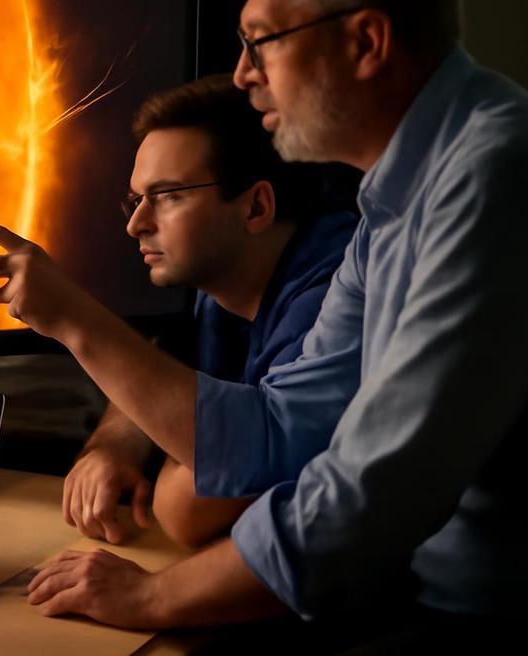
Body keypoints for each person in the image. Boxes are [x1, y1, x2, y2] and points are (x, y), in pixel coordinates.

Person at [14, 0, 528, 645]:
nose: (243, 74)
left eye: (263, 41)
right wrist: (72, 326)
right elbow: (279, 433)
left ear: (366, 42)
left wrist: (154, 601)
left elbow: (369, 492)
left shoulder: (494, 175)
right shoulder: (388, 201)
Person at [60, 74, 356, 549]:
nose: (137, 224)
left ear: (256, 207)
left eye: (169, 196)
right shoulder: (221, 282)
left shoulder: (335, 295)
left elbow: (186, 510)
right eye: (137, 199)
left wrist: (71, 319)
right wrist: (116, 443)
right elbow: (164, 369)